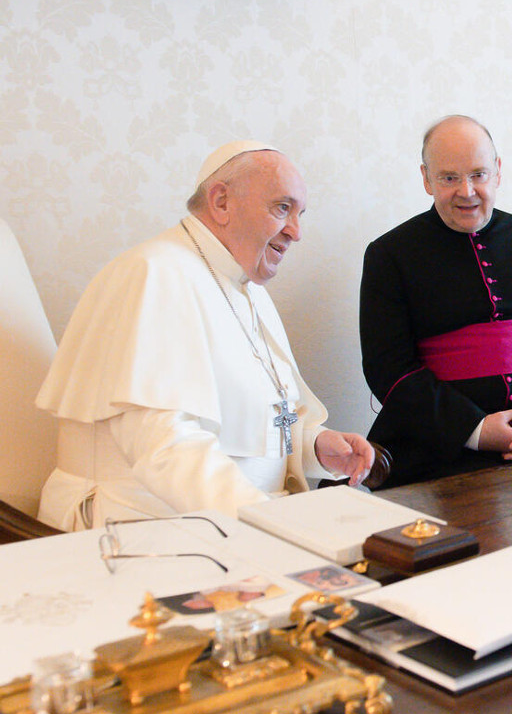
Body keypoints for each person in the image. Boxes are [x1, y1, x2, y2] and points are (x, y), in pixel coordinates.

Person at [36, 141, 374, 530]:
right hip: (141, 525)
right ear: (221, 202)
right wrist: (267, 523)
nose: (296, 232)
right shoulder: (155, 274)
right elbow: (164, 444)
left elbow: (253, 422)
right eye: (282, 208)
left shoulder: (247, 289)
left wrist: (313, 445)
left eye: (300, 214)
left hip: (227, 520)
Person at [360, 115, 512, 486]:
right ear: (426, 178)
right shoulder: (390, 255)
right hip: (441, 450)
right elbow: (388, 368)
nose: (467, 191)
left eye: (478, 174)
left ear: (498, 172)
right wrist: (475, 430)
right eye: (449, 178)